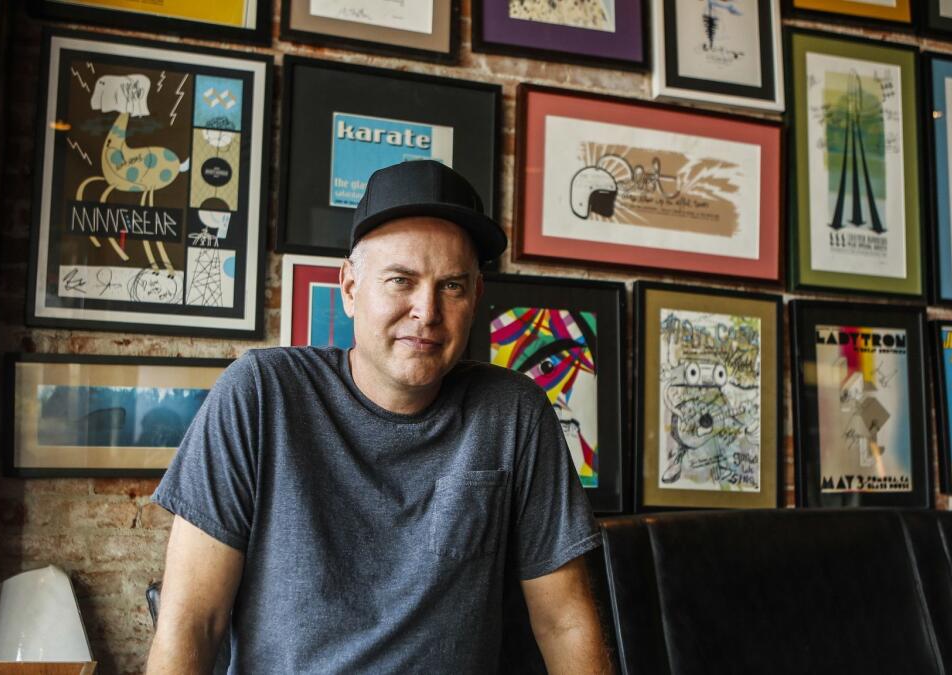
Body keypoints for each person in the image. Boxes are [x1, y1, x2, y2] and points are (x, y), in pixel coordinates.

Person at [146, 161, 610, 673]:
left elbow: (563, 621)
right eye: (400, 280)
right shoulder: (261, 394)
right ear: (349, 288)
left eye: (452, 286)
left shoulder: (514, 413)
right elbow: (192, 621)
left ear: (476, 298)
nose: (427, 311)